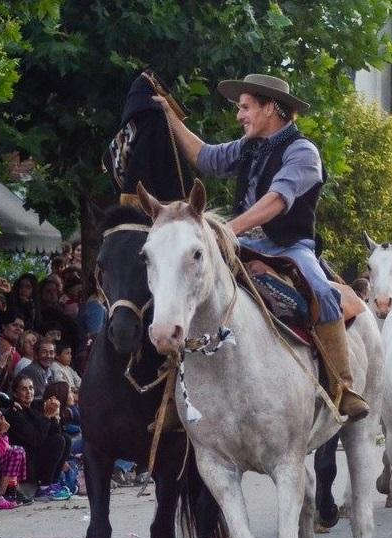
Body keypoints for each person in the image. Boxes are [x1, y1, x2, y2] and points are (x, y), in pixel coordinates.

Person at [155, 73, 368, 420]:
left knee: (322, 291)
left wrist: (224, 231)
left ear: (271, 108)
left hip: (289, 247)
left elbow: (276, 201)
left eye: (245, 107)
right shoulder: (248, 146)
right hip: (241, 244)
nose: (239, 116)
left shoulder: (303, 152)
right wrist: (169, 116)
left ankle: (341, 384)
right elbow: (205, 157)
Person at [5, 375, 71, 501]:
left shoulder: (34, 408)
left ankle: (53, 483)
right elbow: (36, 439)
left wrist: (55, 417)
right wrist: (46, 416)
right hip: (26, 464)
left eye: (30, 388)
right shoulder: (14, 413)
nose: (28, 392)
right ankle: (44, 487)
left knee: (65, 439)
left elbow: (53, 432)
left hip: (37, 458)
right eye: (23, 389)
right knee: (58, 441)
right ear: (15, 392)